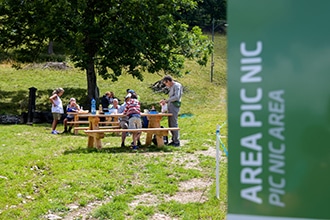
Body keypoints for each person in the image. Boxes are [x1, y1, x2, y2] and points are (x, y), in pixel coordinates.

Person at [160, 75, 183, 147]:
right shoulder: (171, 87)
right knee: (170, 123)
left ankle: (176, 141)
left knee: (174, 123)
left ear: (169, 81)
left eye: (166, 83)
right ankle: (173, 139)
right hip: (170, 106)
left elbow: (176, 97)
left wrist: (167, 100)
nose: (166, 85)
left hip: (174, 106)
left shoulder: (177, 86)